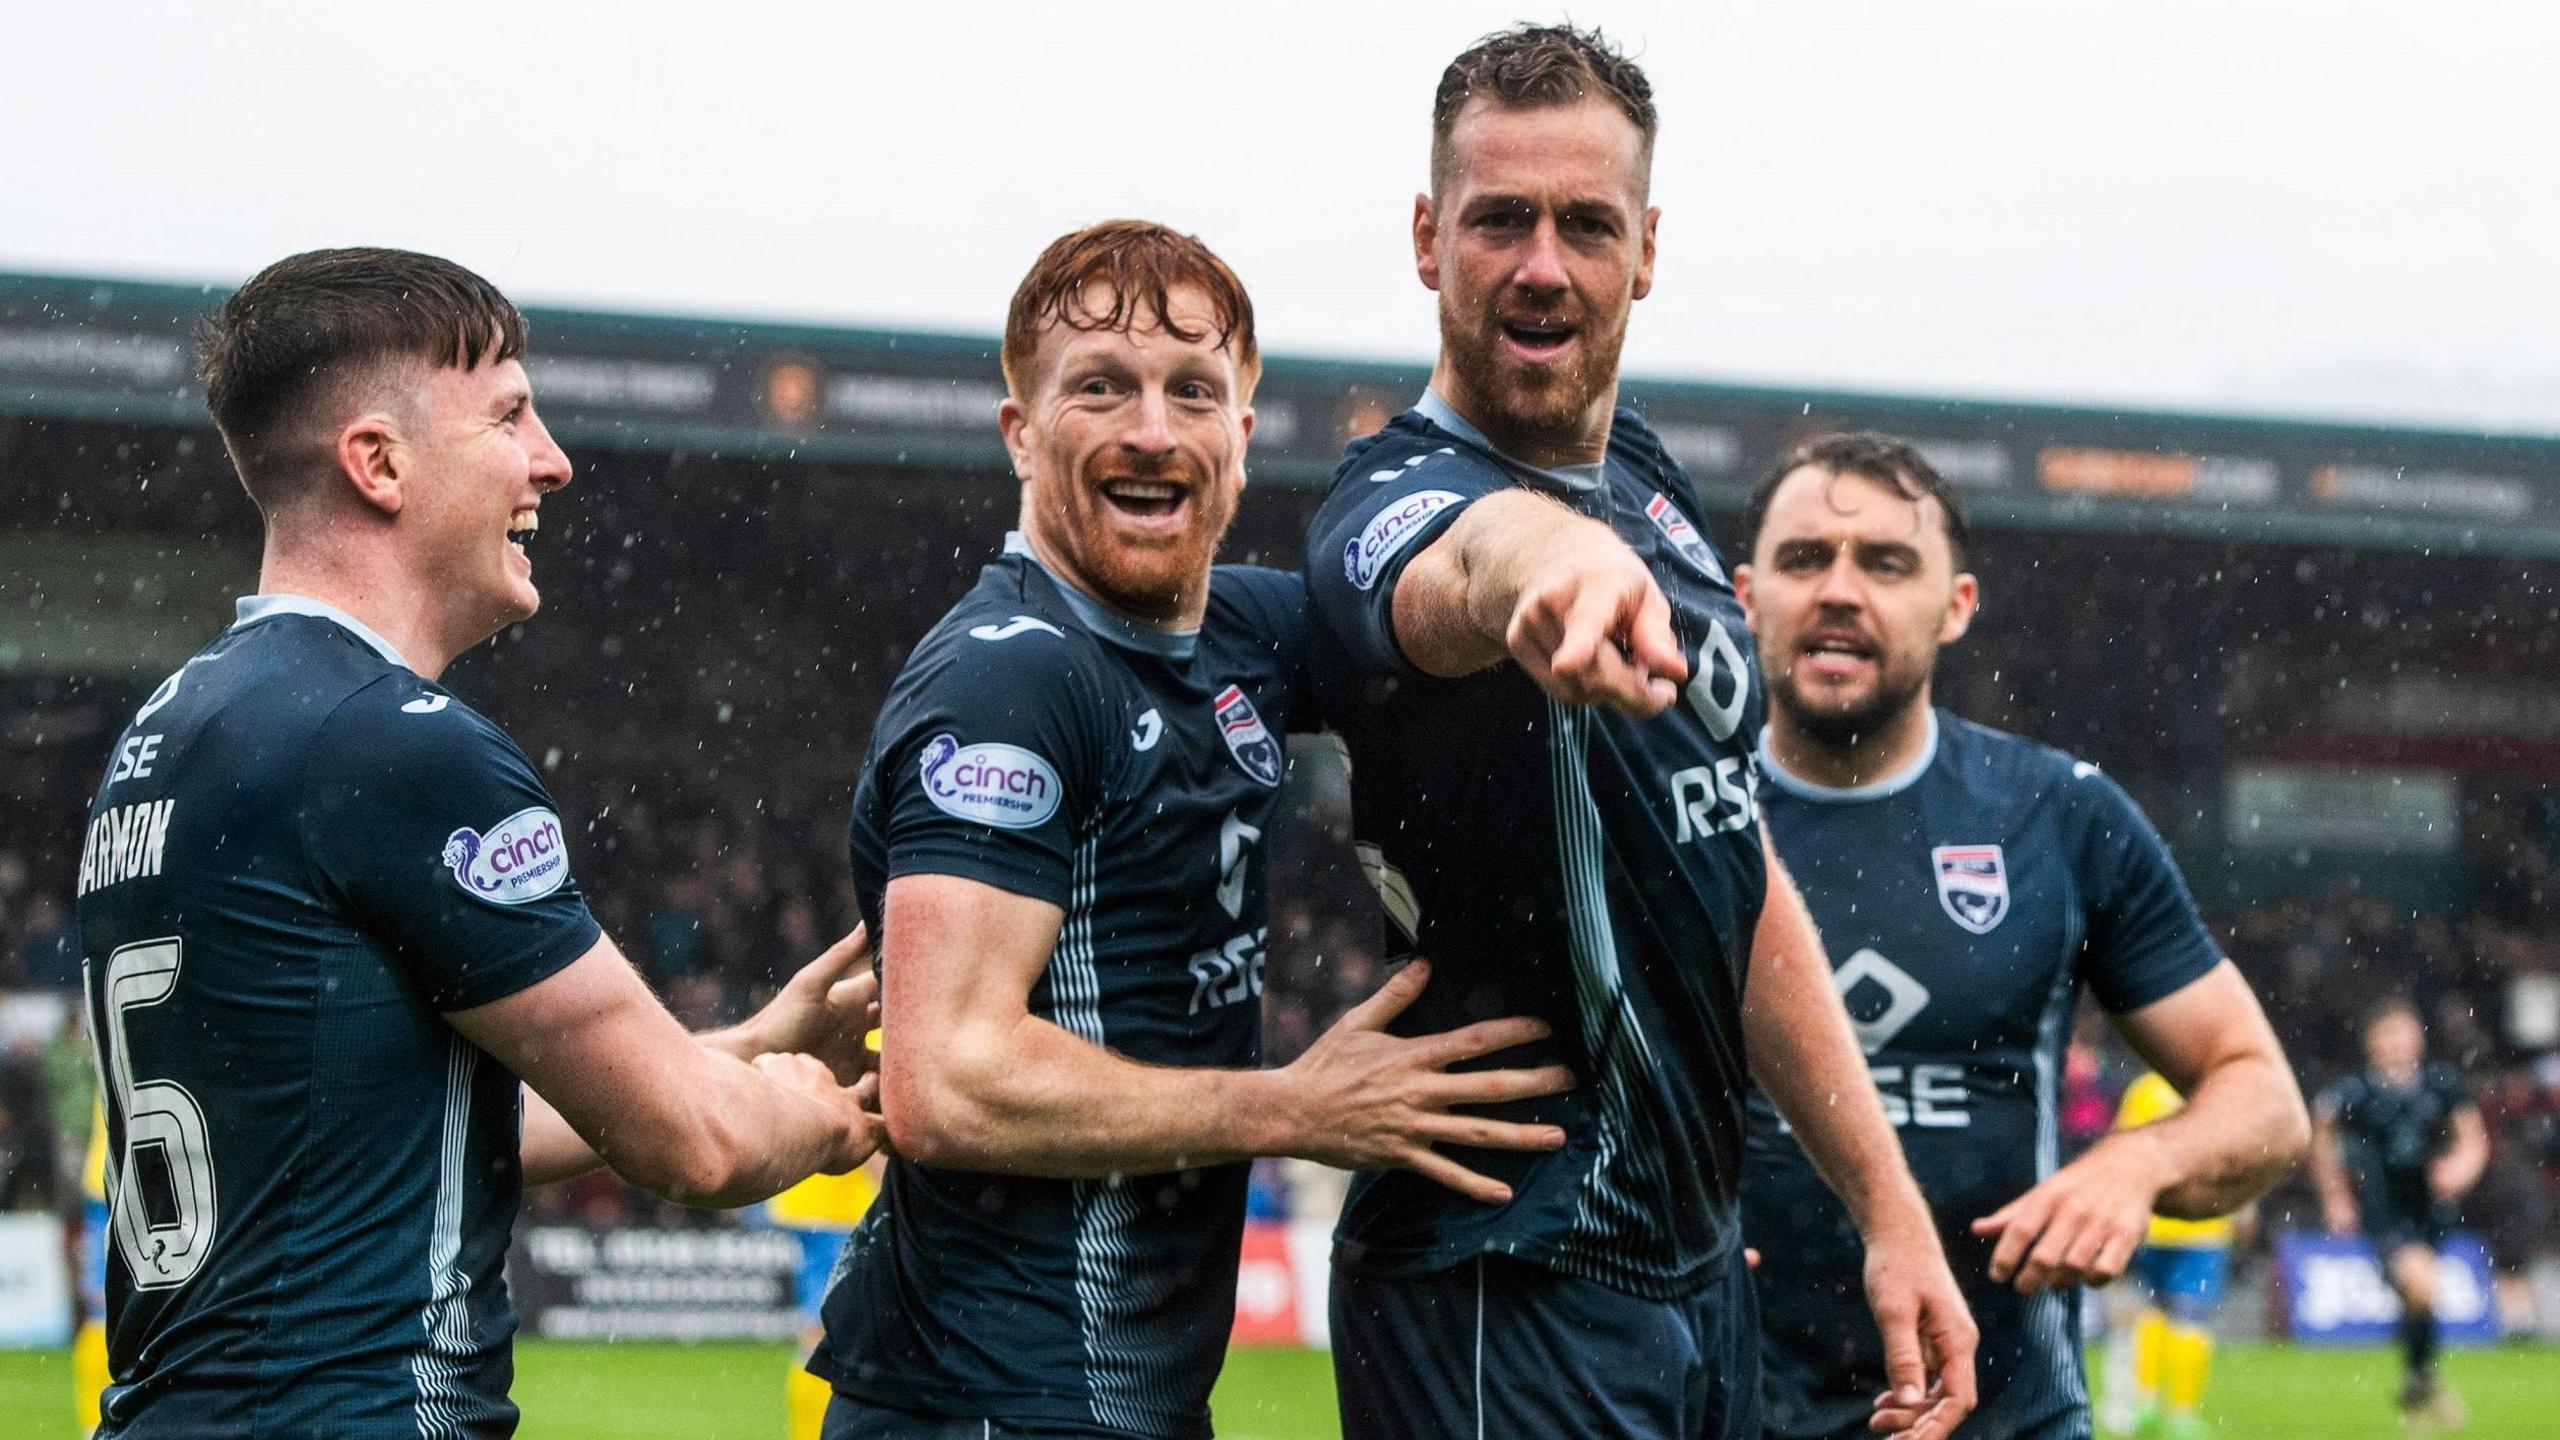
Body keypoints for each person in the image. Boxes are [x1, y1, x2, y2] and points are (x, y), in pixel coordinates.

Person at [72, 247, 883, 1438]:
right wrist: (825, 1115)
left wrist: (748, 1040)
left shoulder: (174, 729)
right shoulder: (395, 745)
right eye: (509, 414)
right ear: (379, 463)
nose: (550, 458)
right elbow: (697, 1146)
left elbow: (410, 1128)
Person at [1303, 27, 1976, 1440]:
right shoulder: (1388, 496)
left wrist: (1890, 1206)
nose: (1542, 263)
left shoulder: (1653, 487)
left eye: (1585, 224)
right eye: (1500, 220)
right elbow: (1462, 570)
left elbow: (1733, 870)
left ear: (1647, 250)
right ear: (1428, 239)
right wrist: (1550, 571)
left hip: (1684, 1282)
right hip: (1503, 1278)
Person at [816, 220, 1573, 1440]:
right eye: (1100, 388)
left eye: (1192, 393)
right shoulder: (1007, 681)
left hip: (1127, 1398)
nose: (1153, 432)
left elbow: (1426, 618)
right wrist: (1289, 1108)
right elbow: (945, 1082)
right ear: (1020, 431)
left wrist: (1554, 563)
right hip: (991, 1402)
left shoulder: (1244, 636)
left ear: (1241, 437)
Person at [1732, 431, 2308, 1440]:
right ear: (1745, 594)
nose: (1837, 589)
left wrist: (2137, 1166)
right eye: (1802, 558)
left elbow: (2262, 1099)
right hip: (1719, 1408)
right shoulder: (1664, 809)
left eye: (1885, 562)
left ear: (1955, 605)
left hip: (2007, 1413)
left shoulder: (2060, 814)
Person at [2312, 998, 2490, 1434]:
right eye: (2386, 1036)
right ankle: (2420, 1382)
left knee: (2420, 1295)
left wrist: (2460, 1168)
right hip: (2383, 1210)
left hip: (2431, 1210)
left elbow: (2473, 1139)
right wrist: (2336, 1197)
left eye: (2403, 1034)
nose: (2395, 1044)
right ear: (2371, 1043)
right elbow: (2322, 1139)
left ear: (2418, 1039)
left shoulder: (2441, 1083)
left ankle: (2418, 1382)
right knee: (2419, 1282)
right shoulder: (2355, 1092)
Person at [2094, 1074, 2242, 1440]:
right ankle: (2182, 1413)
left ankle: (2144, 1402)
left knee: (2154, 1310)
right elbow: (2240, 1154)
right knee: (2190, 1316)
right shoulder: (2219, 1086)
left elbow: (2121, 1145)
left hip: (2156, 1223)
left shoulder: (2146, 1089)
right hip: (2205, 1226)